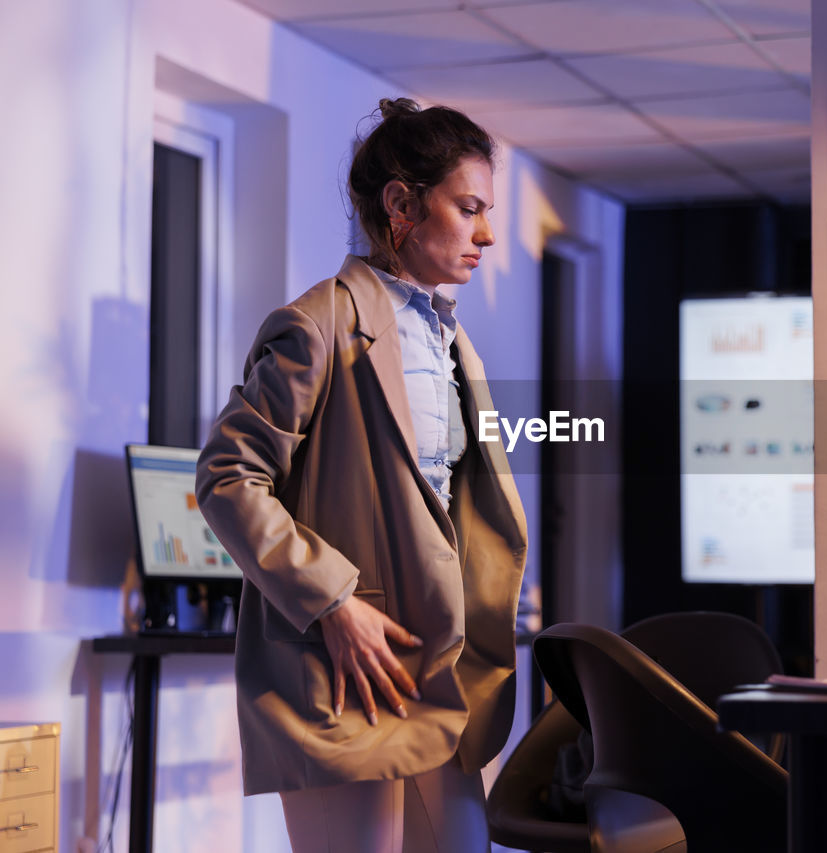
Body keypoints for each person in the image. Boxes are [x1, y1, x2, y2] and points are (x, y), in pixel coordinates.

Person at [196, 98, 527, 853]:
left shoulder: (448, 338)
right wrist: (332, 600)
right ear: (402, 205)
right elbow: (227, 476)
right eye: (469, 207)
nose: (487, 233)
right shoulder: (316, 324)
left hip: (433, 670)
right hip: (346, 671)